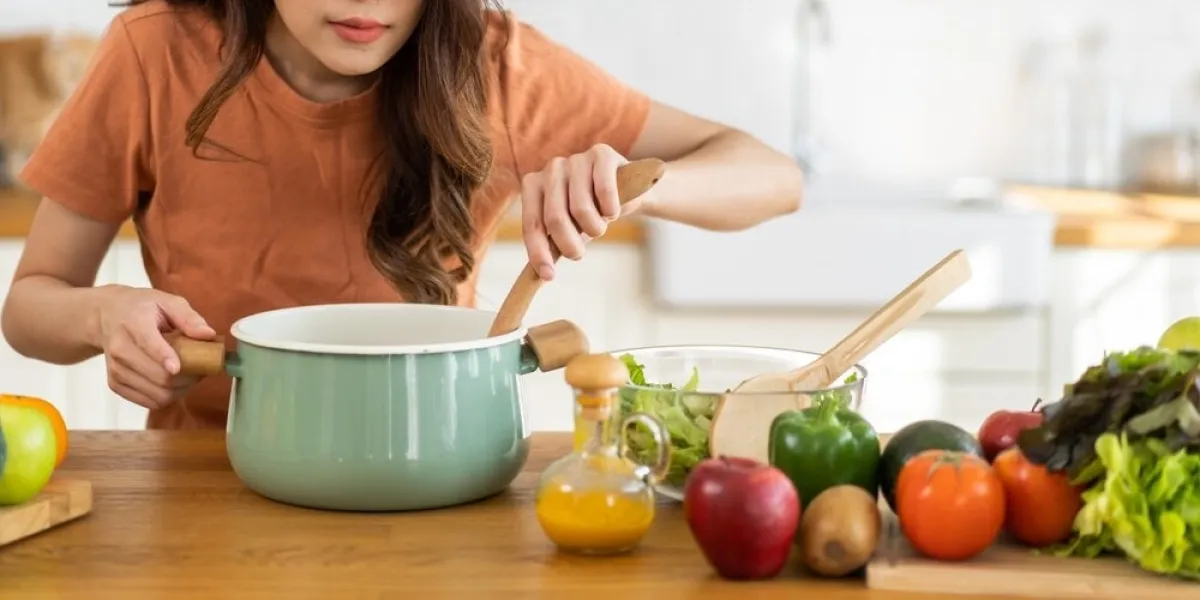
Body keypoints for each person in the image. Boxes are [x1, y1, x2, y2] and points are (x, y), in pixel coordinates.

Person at [0, 0, 802, 430]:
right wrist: (105, 315)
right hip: (207, 479)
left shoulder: (495, 64)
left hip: (442, 463)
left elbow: (771, 176)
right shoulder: (153, 50)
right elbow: (31, 305)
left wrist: (634, 184)